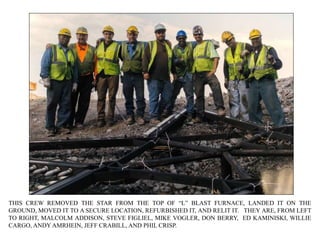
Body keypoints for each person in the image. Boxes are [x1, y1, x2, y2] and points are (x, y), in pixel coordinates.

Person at [40, 28, 78, 137]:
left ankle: (61, 126)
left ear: (69, 39)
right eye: (63, 36)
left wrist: (75, 82)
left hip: (67, 81)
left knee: (65, 104)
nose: (64, 38)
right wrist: (45, 77)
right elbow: (45, 63)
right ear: (59, 37)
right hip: (54, 81)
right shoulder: (52, 49)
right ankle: (50, 127)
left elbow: (74, 68)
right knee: (52, 104)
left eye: (67, 37)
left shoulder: (71, 52)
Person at [247, 29, 286, 127]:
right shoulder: (251, 53)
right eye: (252, 39)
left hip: (266, 81)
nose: (254, 41)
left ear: (260, 38)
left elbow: (279, 65)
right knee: (252, 107)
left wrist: (272, 60)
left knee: (273, 105)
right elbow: (248, 70)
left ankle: (281, 127)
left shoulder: (269, 49)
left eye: (256, 38)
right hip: (253, 82)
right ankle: (256, 127)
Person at [142, 23, 177, 124]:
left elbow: (171, 60)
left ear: (165, 33)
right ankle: (153, 117)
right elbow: (145, 58)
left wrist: (174, 72)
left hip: (166, 77)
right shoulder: (151, 44)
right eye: (159, 32)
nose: (161, 34)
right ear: (155, 34)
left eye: (162, 32)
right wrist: (145, 71)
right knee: (154, 97)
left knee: (167, 96)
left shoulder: (168, 45)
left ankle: (158, 113)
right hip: (153, 76)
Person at [192, 25, 225, 123]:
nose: (198, 36)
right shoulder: (195, 48)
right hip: (198, 73)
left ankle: (220, 108)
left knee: (216, 85)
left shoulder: (208, 44)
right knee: (198, 95)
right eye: (196, 34)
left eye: (199, 34)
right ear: (194, 36)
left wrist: (213, 70)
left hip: (208, 72)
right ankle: (200, 116)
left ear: (202, 34)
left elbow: (215, 57)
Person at [67, 27, 95, 129]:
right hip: (74, 78)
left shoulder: (92, 49)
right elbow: (60, 48)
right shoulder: (70, 47)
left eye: (83, 35)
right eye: (79, 34)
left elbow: (96, 64)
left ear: (87, 36)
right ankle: (69, 122)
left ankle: (79, 121)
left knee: (84, 101)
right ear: (76, 35)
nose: (81, 37)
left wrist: (95, 78)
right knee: (71, 100)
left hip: (87, 78)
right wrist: (50, 46)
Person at [221, 31, 252, 121]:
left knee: (244, 101)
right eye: (226, 42)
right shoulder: (226, 51)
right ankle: (234, 121)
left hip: (243, 78)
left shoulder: (244, 46)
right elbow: (226, 66)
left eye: (230, 40)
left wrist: (247, 51)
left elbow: (255, 49)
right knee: (233, 102)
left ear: (233, 38)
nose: (229, 43)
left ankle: (246, 122)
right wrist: (226, 79)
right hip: (232, 80)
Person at [94, 25, 121, 127]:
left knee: (112, 97)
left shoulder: (117, 46)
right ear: (103, 34)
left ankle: (110, 118)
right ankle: (100, 118)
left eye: (110, 34)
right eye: (106, 34)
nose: (108, 35)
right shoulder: (98, 45)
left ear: (112, 35)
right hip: (101, 74)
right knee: (100, 97)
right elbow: (95, 60)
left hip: (113, 74)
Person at [120, 26, 146, 125]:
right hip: (126, 74)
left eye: (134, 34)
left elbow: (144, 60)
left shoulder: (142, 46)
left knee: (140, 96)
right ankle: (130, 115)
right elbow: (120, 56)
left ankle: (140, 116)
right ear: (127, 35)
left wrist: (145, 71)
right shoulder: (122, 45)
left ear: (137, 35)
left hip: (138, 74)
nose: (132, 36)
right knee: (128, 96)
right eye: (130, 34)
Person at [168, 30, 195, 124]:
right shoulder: (174, 49)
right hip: (178, 75)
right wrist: (177, 62)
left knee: (190, 95)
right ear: (177, 39)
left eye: (183, 38)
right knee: (173, 94)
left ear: (185, 38)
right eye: (179, 38)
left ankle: (190, 113)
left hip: (188, 74)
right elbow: (172, 62)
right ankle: (168, 110)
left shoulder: (190, 46)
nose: (181, 40)